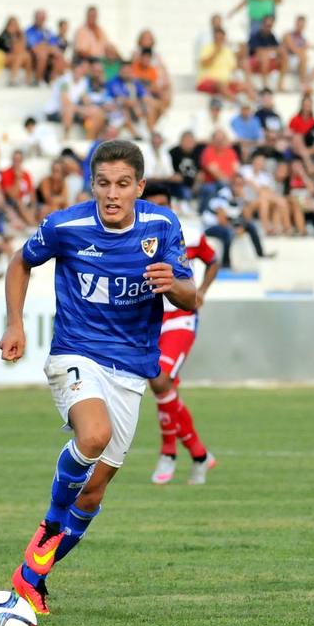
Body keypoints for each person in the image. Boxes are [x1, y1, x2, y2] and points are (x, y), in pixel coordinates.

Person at [0, 140, 195, 616]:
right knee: (94, 434)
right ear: (92, 185)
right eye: (104, 183)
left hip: (131, 370)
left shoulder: (161, 225)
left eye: (123, 184)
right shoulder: (66, 226)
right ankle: (48, 525)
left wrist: (176, 286)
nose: (112, 194)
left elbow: (190, 298)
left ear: (140, 187)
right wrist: (15, 322)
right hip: (77, 353)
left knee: (94, 490)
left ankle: (31, 577)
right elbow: (20, 262)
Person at [141, 185, 220, 486]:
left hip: (180, 319)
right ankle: (198, 454)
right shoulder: (134, 236)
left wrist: (200, 292)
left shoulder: (189, 233)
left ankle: (168, 453)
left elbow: (213, 260)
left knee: (159, 379)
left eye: (163, 204)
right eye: (153, 205)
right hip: (149, 320)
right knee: (165, 387)